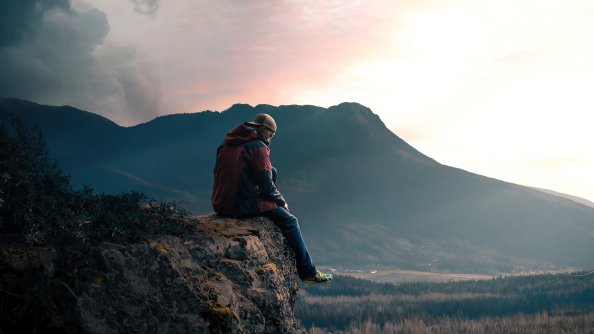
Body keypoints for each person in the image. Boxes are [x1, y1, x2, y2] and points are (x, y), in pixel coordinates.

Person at [212, 113, 332, 284]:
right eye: (271, 134)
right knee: (291, 222)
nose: (271, 138)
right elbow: (267, 186)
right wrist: (281, 201)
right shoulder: (257, 147)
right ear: (262, 129)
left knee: (272, 170)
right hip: (240, 205)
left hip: (221, 203)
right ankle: (308, 273)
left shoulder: (228, 144)